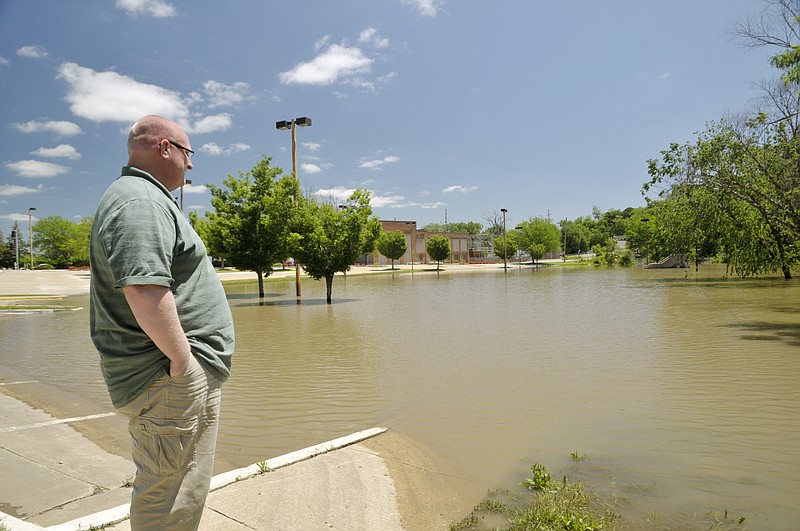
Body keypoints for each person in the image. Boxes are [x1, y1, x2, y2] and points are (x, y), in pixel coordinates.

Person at [89, 115, 235, 530]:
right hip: (167, 378)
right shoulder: (140, 201)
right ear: (165, 147)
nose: (191, 166)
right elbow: (143, 289)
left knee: (182, 489)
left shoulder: (146, 199)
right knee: (166, 494)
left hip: (172, 378)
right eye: (189, 153)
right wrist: (183, 362)